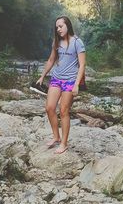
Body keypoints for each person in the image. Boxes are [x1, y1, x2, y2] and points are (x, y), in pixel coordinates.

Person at [36, 16, 86, 154]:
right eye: (56, 27)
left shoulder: (77, 42)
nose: (58, 29)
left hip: (70, 80)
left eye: (60, 26)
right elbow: (51, 59)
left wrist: (76, 84)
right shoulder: (56, 42)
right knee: (49, 108)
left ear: (68, 26)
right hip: (56, 78)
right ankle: (56, 137)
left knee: (64, 111)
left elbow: (82, 65)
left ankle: (64, 143)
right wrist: (42, 76)